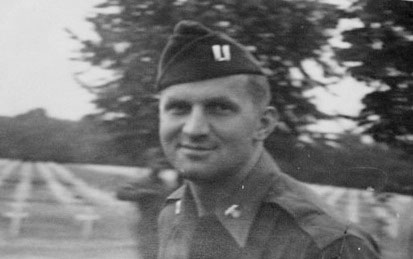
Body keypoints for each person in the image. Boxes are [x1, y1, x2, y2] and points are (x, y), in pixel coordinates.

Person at [155, 20, 381, 259]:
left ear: (263, 124)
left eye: (219, 108)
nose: (194, 129)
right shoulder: (173, 214)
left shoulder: (327, 246)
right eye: (178, 108)